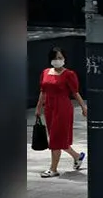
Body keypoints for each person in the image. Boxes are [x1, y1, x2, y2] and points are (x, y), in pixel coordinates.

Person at [36, 47, 86, 177]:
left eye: (60, 58)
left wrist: (83, 107)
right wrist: (38, 107)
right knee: (56, 137)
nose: (57, 60)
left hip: (63, 107)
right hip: (49, 108)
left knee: (55, 138)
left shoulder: (69, 74)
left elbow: (75, 92)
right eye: (55, 58)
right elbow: (43, 91)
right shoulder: (46, 72)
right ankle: (77, 156)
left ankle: (53, 169)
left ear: (64, 59)